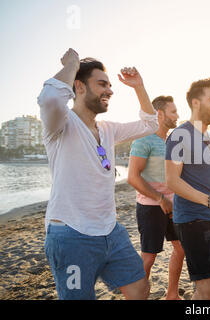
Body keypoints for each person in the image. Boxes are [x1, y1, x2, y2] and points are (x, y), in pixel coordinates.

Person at [39, 48, 159, 300]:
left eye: (110, 85)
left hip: (110, 231)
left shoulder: (107, 129)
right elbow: (50, 99)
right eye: (102, 84)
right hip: (71, 235)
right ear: (79, 87)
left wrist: (139, 87)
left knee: (140, 288)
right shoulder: (60, 124)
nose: (110, 90)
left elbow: (151, 124)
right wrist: (72, 64)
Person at [165, 78, 210, 300]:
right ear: (196, 103)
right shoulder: (181, 135)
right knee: (206, 286)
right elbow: (172, 181)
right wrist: (208, 202)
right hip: (191, 220)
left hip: (209, 217)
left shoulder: (206, 136)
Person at [127, 95, 185, 300]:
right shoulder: (143, 139)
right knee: (149, 257)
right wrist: (161, 198)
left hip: (174, 204)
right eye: (174, 111)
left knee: (180, 249)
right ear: (160, 114)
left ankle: (172, 294)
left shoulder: (172, 140)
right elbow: (132, 177)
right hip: (151, 206)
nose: (177, 115)